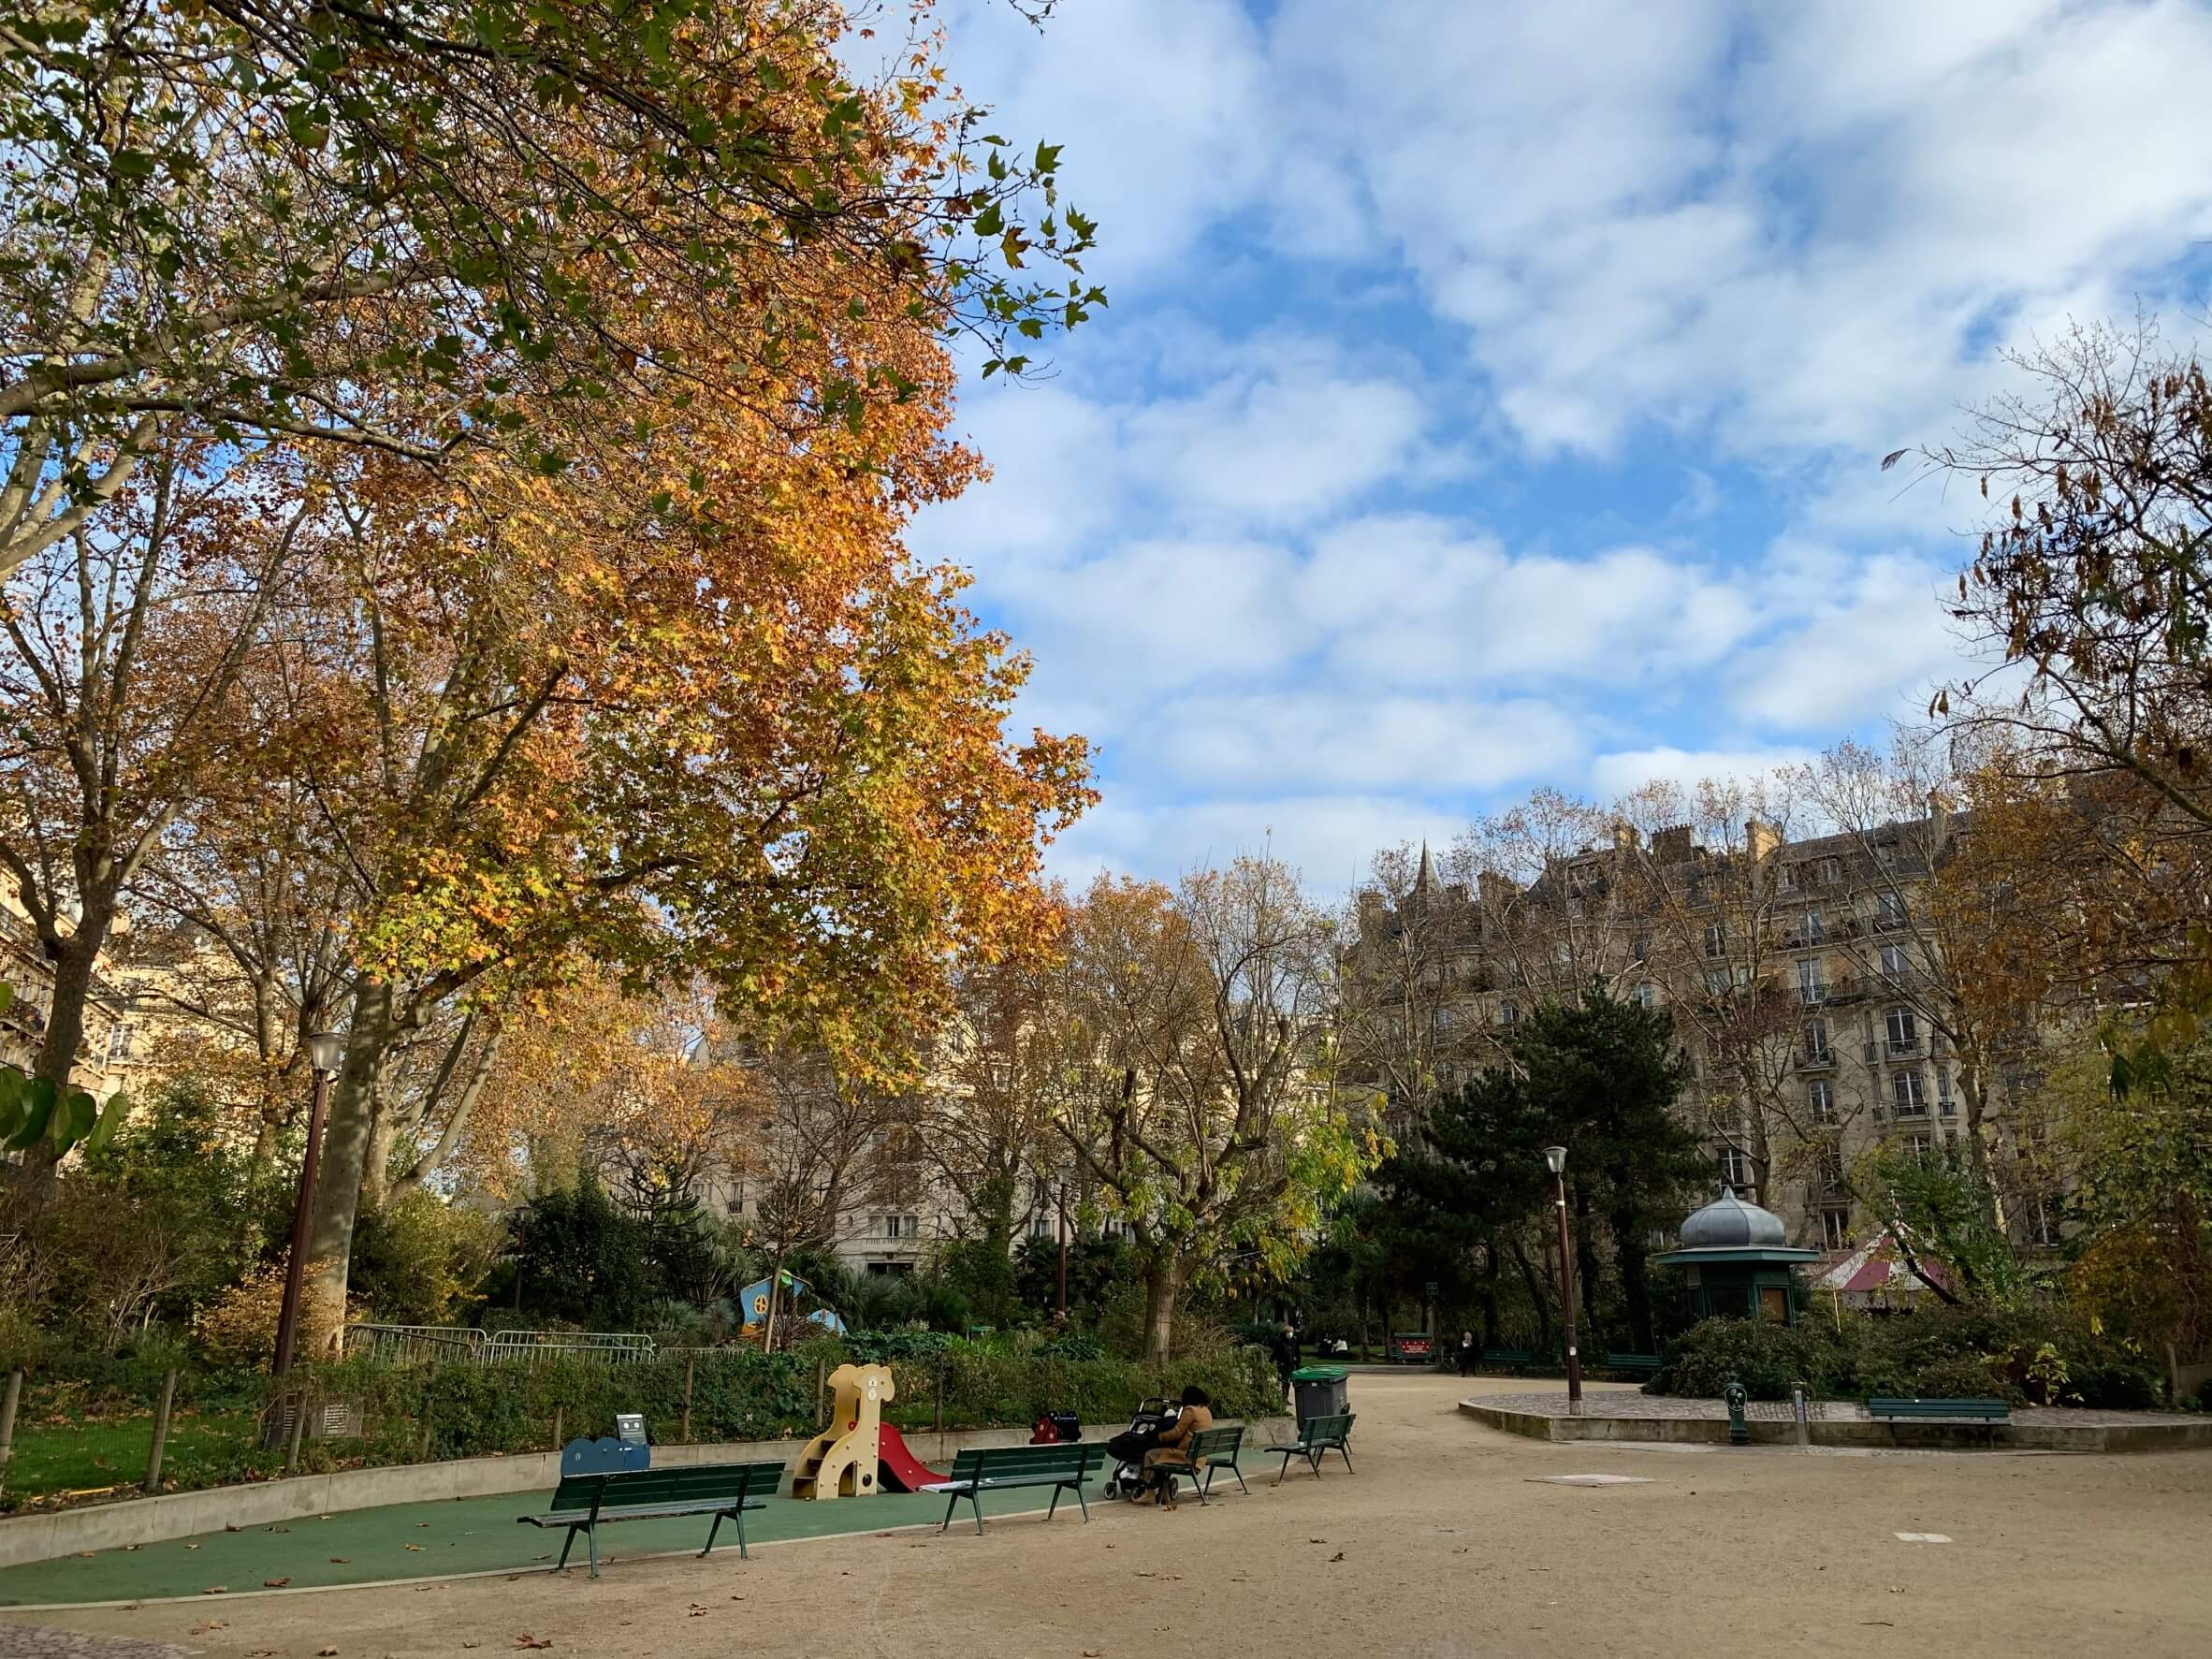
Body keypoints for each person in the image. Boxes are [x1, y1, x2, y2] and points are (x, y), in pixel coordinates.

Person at [1141, 1386, 1215, 1509]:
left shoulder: (1190, 1411)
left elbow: (1177, 1432)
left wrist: (1160, 1436)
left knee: (1150, 1454)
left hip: (1186, 1456)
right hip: (1200, 1456)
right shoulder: (1206, 1411)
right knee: (1161, 1455)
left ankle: (1150, 1491)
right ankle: (1163, 1494)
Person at [1271, 1324, 1300, 1401]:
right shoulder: (1280, 1341)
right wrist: (1270, 1361)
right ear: (1285, 1332)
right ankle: (1284, 1398)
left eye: (1291, 1332)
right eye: (1288, 1332)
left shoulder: (1294, 1340)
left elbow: (1297, 1352)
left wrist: (1298, 1362)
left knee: (1289, 1382)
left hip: (1291, 1364)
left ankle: (1285, 1398)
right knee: (1285, 1381)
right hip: (1283, 1364)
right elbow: (1275, 1352)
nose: (1290, 1333)